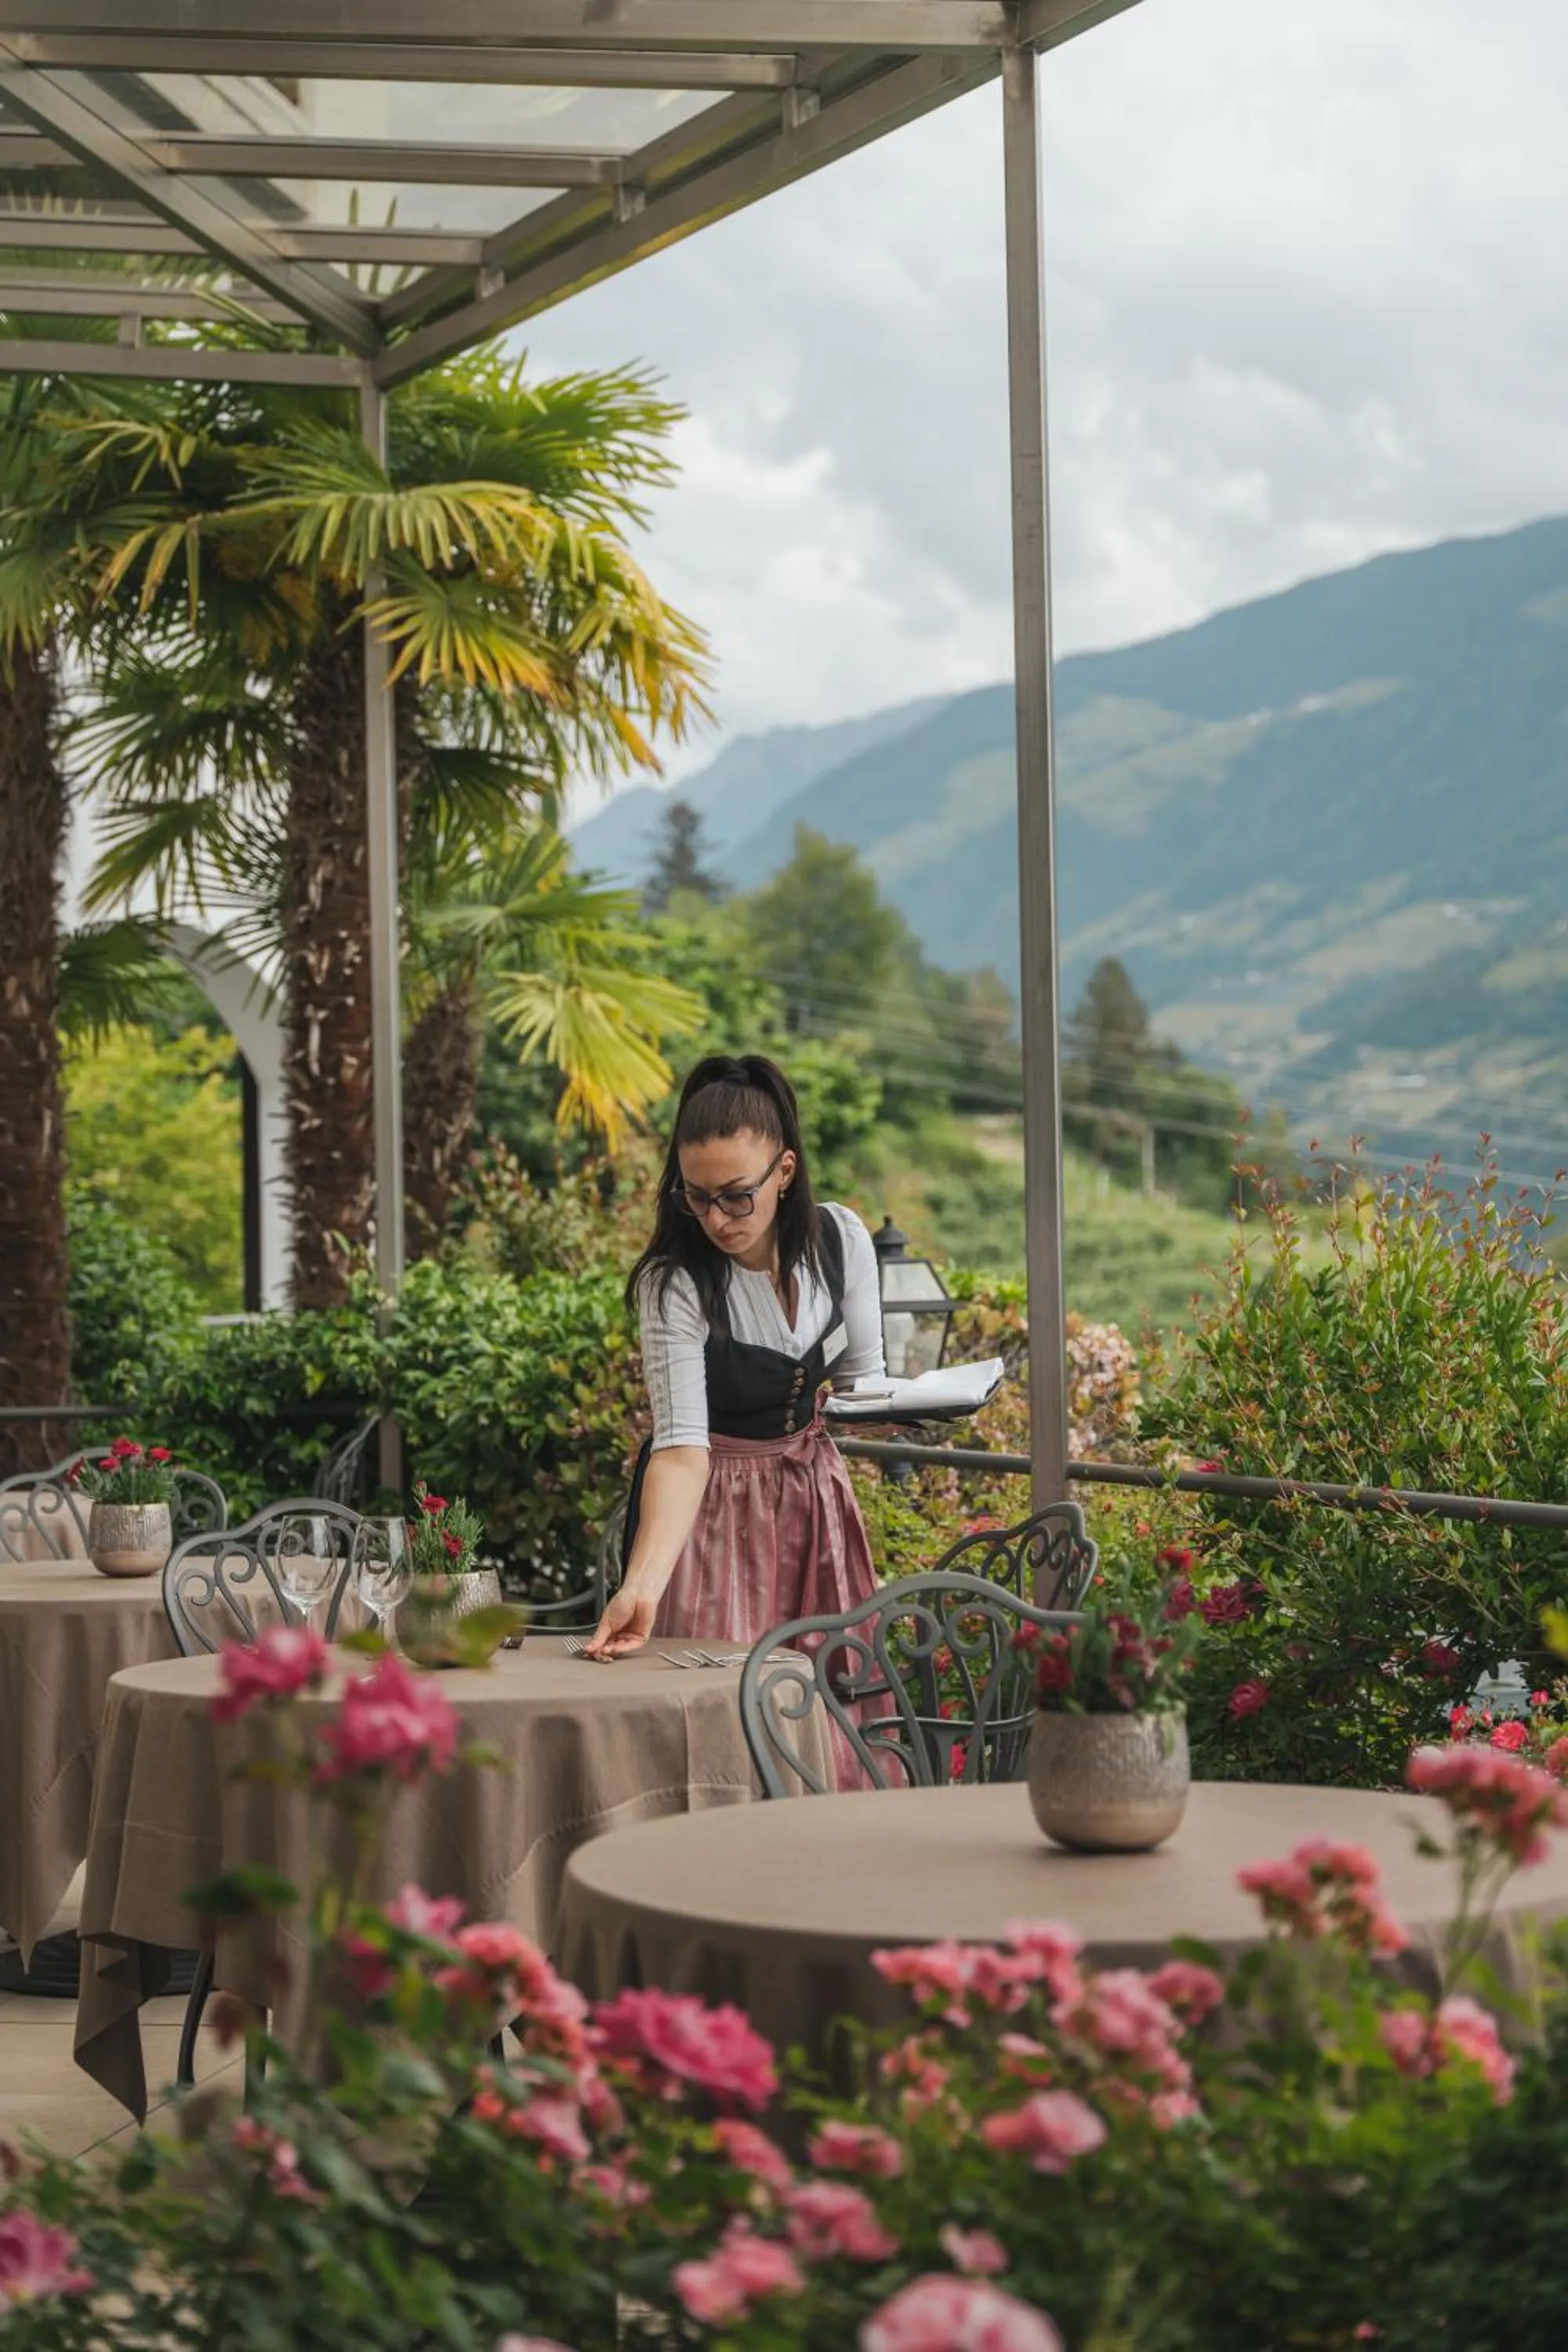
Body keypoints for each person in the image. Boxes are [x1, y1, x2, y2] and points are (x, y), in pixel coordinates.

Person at [583, 1053, 885, 1661]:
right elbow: (681, 1451)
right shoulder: (676, 1285)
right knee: (725, 1693)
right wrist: (640, 1585)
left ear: (785, 1171)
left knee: (823, 1694)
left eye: (736, 1195)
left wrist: (922, 1405)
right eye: (697, 1197)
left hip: (813, 1497)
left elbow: (864, 1385)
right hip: (713, 1515)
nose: (717, 1219)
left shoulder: (842, 1239)